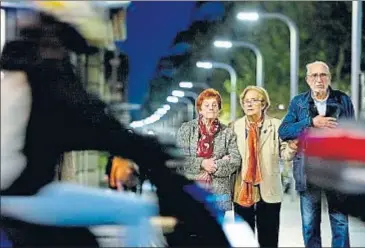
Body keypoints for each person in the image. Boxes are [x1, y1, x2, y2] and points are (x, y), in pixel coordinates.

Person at [0, 3, 229, 246]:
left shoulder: (34, 67)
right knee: (136, 211)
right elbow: (93, 122)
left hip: (26, 190)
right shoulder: (47, 75)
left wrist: (138, 144)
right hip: (21, 195)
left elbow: (89, 119)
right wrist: (149, 150)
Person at [278, 61, 355, 248]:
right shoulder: (298, 102)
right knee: (310, 224)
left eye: (323, 75)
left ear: (329, 78)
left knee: (340, 222)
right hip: (307, 170)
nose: (319, 79)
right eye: (314, 75)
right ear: (307, 79)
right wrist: (311, 122)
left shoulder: (343, 100)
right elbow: (284, 131)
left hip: (335, 169)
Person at [232, 86, 296, 247]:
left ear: (263, 104)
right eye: (246, 101)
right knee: (243, 239)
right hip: (243, 189)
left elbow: (285, 154)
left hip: (269, 188)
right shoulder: (235, 127)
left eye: (254, 100)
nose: (249, 104)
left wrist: (294, 147)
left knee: (269, 239)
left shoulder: (276, 125)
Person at [176, 88, 242, 215]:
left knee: (215, 233)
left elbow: (235, 161)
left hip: (217, 194)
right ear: (200, 109)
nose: (211, 108)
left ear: (219, 109)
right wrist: (202, 163)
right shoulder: (186, 129)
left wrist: (214, 165)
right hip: (191, 189)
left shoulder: (228, 133)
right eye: (206, 105)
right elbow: (180, 160)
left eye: (214, 105)